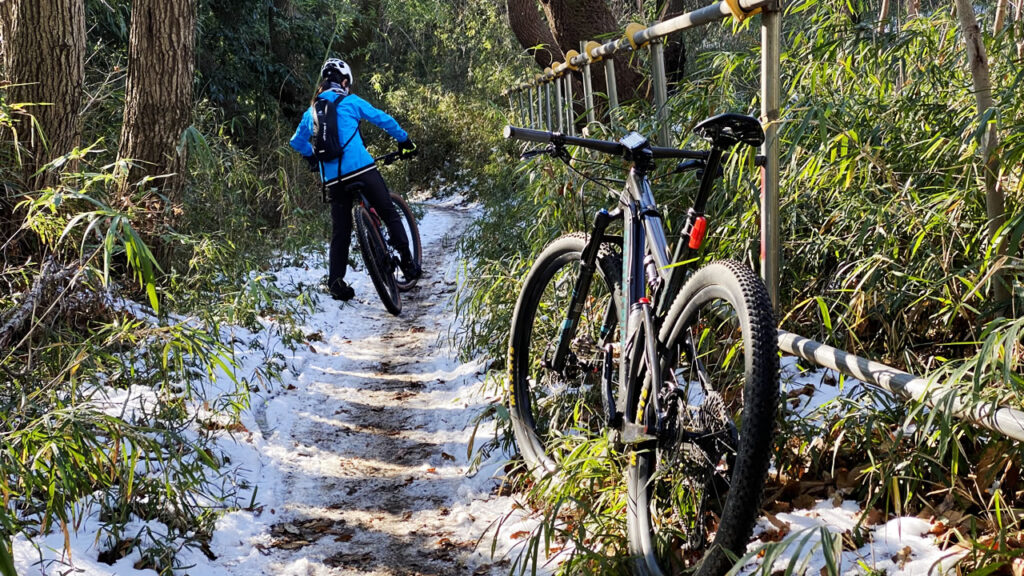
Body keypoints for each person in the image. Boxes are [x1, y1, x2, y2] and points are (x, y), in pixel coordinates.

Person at [290, 58, 420, 301]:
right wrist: (404, 141)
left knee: (341, 231)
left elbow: (296, 142)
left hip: (333, 180)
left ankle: (336, 283)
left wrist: (312, 159)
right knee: (389, 213)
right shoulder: (350, 101)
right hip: (362, 170)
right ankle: (408, 264)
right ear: (344, 82)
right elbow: (384, 120)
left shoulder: (312, 112)